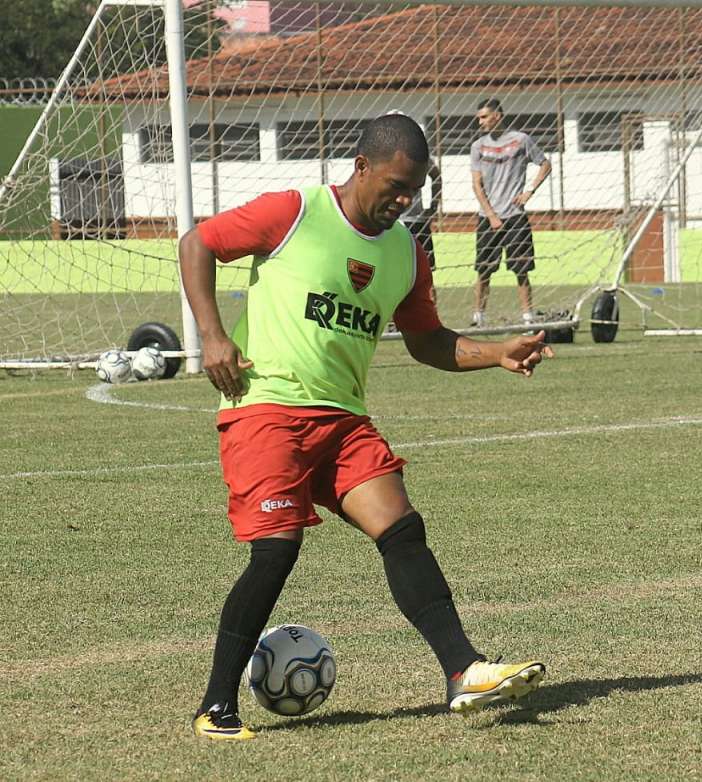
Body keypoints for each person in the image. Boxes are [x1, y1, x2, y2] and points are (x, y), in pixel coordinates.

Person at [180, 113, 552, 741]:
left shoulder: (407, 251)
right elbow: (198, 244)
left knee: (402, 530)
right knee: (276, 550)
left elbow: (427, 340)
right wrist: (213, 336)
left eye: (415, 191)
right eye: (395, 187)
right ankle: (216, 706)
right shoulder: (295, 211)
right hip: (266, 407)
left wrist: (496, 353)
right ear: (361, 168)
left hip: (343, 419)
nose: (403, 202)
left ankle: (463, 670)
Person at [470, 98, 552, 327]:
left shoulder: (521, 140)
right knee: (484, 271)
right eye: (479, 118)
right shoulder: (478, 146)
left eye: (484, 117)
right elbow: (476, 185)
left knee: (521, 269)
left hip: (515, 217)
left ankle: (528, 316)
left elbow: (545, 164)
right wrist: (492, 215)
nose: (480, 122)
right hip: (488, 218)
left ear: (497, 116)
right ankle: (479, 316)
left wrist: (529, 192)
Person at [399, 155, 442, 305]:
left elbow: (436, 175)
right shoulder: (384, 150)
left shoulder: (417, 151)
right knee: (393, 273)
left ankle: (432, 316)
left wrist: (433, 206)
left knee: (426, 274)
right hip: (392, 223)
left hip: (417, 222)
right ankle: (393, 321)